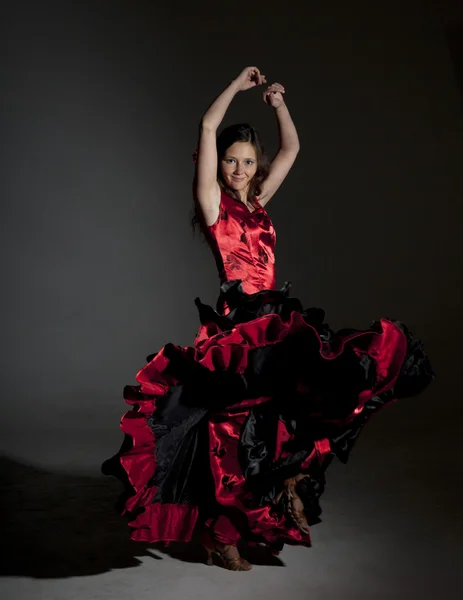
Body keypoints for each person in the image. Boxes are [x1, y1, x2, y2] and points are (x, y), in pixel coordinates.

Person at [102, 66, 434, 571]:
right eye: (231, 162)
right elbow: (209, 128)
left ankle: (286, 482)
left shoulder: (258, 201)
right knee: (236, 427)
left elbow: (292, 151)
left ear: (255, 168)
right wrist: (238, 86)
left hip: (276, 320)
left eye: (246, 162)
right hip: (240, 328)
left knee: (311, 400)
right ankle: (222, 530)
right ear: (219, 167)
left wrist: (278, 104)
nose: (237, 169)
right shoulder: (213, 204)